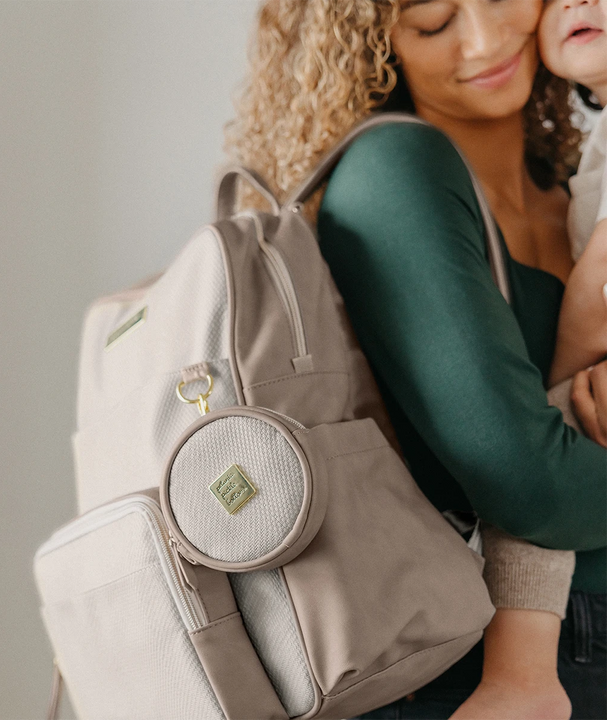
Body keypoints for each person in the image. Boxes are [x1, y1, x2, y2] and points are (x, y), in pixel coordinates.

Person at [222, 1, 607, 719]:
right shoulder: (398, 172)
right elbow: (532, 486)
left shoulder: (575, 188)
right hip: (481, 675)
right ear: (368, 44)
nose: (486, 40)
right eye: (434, 21)